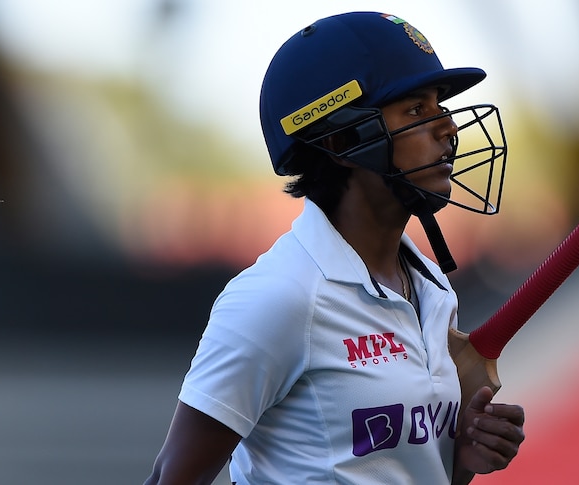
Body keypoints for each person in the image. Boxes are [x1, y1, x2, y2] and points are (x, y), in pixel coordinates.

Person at [144, 11, 525, 484]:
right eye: (415, 110)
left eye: (439, 107)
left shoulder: (433, 289)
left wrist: (463, 458)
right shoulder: (278, 296)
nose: (448, 128)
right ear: (344, 139)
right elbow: (174, 476)